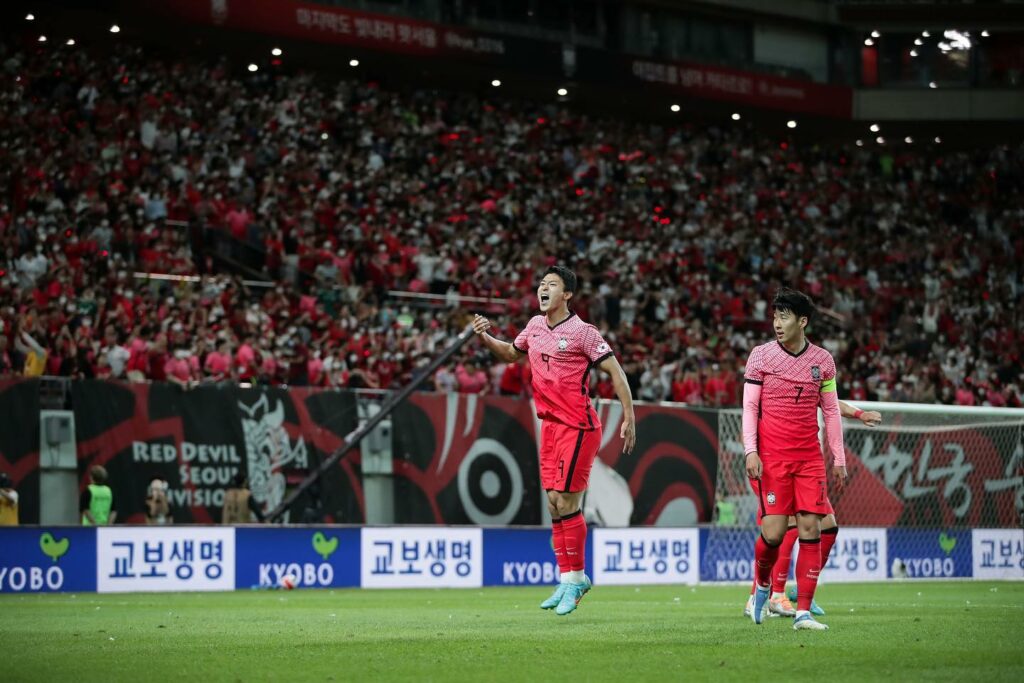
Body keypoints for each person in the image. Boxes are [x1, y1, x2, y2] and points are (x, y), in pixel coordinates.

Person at [473, 265, 636, 616]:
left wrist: (629, 415)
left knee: (567, 499)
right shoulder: (533, 326)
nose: (543, 289)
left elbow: (615, 371)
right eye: (542, 284)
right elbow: (511, 354)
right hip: (549, 427)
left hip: (578, 425)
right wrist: (486, 337)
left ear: (567, 295)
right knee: (553, 504)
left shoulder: (583, 332)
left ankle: (577, 578)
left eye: (552, 285)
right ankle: (567, 578)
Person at [743, 287, 845, 631]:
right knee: (772, 533)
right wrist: (750, 450)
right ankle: (762, 585)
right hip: (772, 458)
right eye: (774, 316)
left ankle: (802, 612)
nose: (777, 323)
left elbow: (830, 411)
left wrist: (839, 457)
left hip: (809, 459)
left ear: (803, 321)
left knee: (810, 527)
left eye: (784, 316)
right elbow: (750, 407)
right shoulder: (760, 356)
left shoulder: (824, 362)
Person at [744, 401, 883, 618]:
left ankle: (799, 589)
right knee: (784, 527)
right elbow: (750, 410)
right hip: (772, 463)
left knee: (828, 527)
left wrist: (859, 413)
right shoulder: (768, 380)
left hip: (802, 464)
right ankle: (773, 595)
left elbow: (829, 401)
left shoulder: (806, 376)